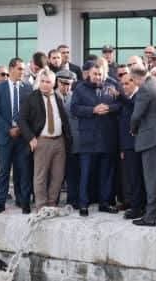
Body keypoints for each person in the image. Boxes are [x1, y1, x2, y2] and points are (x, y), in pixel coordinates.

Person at [71, 62, 120, 216]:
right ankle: (83, 204)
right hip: (88, 139)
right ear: (89, 74)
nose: (98, 77)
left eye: (100, 74)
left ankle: (104, 203)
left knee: (106, 173)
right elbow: (74, 108)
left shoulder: (112, 86)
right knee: (86, 173)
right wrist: (93, 110)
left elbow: (120, 104)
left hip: (107, 138)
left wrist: (109, 108)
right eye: (95, 74)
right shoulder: (80, 88)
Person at [20, 69, 71, 208]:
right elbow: (22, 119)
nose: (44, 84)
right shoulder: (32, 97)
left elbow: (64, 119)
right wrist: (31, 138)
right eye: (42, 81)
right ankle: (41, 206)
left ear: (54, 83)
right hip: (42, 141)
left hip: (59, 141)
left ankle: (52, 204)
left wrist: (67, 139)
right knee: (40, 176)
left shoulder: (58, 97)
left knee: (58, 176)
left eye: (48, 82)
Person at [129, 64, 156, 226]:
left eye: (132, 80)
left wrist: (133, 129)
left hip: (152, 139)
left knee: (152, 178)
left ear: (136, 78)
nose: (133, 83)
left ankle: (150, 217)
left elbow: (136, 116)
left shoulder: (145, 89)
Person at [0, 58, 33, 215]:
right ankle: (0, 203)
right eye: (20, 69)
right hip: (4, 136)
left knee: (23, 170)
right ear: (11, 69)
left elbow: (30, 113)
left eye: (23, 69)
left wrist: (21, 129)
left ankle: (24, 201)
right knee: (3, 171)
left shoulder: (27, 88)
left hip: (22, 137)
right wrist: (9, 129)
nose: (23, 72)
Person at [117, 71, 146, 220]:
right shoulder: (128, 99)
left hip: (136, 144)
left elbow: (136, 112)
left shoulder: (139, 96)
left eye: (127, 83)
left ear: (135, 82)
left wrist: (120, 97)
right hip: (128, 145)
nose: (124, 86)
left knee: (136, 177)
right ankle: (135, 204)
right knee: (131, 177)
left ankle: (137, 208)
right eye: (122, 84)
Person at [56, 69, 80, 207]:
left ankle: (72, 199)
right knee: (56, 172)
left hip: (72, 142)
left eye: (69, 84)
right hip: (57, 140)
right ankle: (54, 199)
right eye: (63, 83)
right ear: (57, 82)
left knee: (72, 172)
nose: (66, 87)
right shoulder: (52, 97)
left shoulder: (74, 97)